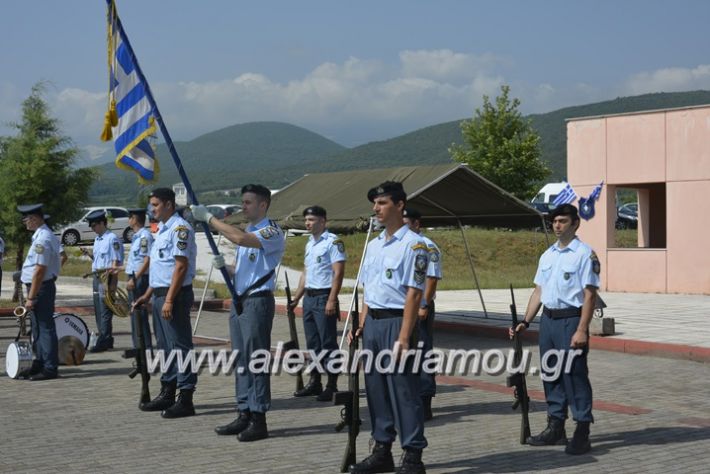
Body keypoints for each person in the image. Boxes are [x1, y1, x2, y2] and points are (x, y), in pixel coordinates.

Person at [191, 184, 285, 442]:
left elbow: (242, 240)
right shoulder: (251, 230)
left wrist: (209, 219)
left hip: (257, 301)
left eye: (248, 202)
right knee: (241, 359)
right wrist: (228, 269)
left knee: (255, 360)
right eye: (243, 202)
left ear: (263, 205)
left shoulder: (271, 229)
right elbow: (247, 266)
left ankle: (258, 417)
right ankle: (243, 411)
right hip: (240, 300)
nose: (243, 207)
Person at [349, 182, 428, 474]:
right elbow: (370, 289)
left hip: (398, 323)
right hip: (373, 324)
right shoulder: (374, 245)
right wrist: (361, 324)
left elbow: (414, 293)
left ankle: (413, 455)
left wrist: (405, 336)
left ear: (400, 205)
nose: (376, 209)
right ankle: (382, 449)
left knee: (404, 392)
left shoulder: (415, 246)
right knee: (376, 390)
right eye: (374, 204)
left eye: (382, 203)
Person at [510, 203, 599, 455]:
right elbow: (539, 291)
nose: (557, 226)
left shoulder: (584, 254)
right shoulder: (547, 255)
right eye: (554, 221)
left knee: (574, 374)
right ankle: (556, 426)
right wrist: (525, 321)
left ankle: (582, 429)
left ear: (575, 223)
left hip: (571, 319)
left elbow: (590, 295)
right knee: (551, 374)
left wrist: (582, 329)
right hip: (548, 321)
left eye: (562, 221)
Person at [133, 188, 198, 418]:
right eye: (151, 205)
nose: (152, 209)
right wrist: (148, 294)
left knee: (180, 346)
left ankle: (186, 397)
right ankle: (168, 392)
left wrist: (169, 299)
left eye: (156, 204)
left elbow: (180, 267)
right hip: (161, 293)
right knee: (165, 346)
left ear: (169, 204)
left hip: (175, 296)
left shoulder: (180, 229)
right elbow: (161, 267)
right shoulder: (162, 229)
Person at [289, 205, 346, 401]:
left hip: (324, 297)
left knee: (328, 342)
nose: (307, 223)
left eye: (312, 220)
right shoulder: (309, 244)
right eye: (306, 220)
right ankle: (315, 382)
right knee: (313, 343)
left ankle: (332, 384)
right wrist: (297, 297)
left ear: (323, 221)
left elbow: (338, 273)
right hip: (309, 298)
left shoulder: (333, 242)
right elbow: (306, 273)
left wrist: (332, 298)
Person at [403, 208, 442, 422]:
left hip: (420, 306)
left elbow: (432, 278)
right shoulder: (403, 245)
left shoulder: (428, 246)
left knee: (423, 351)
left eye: (406, 222)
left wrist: (424, 305)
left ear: (417, 224)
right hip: (403, 307)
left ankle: (425, 399)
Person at [17, 204, 61, 381]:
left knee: (45, 327)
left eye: (26, 219)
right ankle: (40, 362)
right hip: (39, 287)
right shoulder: (40, 236)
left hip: (40, 288)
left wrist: (31, 297)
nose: (25, 222)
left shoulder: (42, 239)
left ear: (34, 219)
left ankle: (50, 367)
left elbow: (40, 270)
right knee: (37, 328)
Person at [82, 210, 124, 353]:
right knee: (99, 309)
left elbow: (115, 261)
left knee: (105, 309)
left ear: (102, 223)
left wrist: (112, 283)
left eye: (94, 225)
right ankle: (106, 338)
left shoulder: (112, 239)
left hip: (107, 278)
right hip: (97, 276)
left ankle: (104, 340)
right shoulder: (98, 239)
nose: (92, 228)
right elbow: (100, 261)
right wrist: (89, 254)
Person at [125, 208, 153, 349]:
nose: (128, 220)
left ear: (135, 219)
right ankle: (138, 348)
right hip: (135, 277)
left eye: (130, 217)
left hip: (140, 279)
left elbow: (146, 260)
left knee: (140, 316)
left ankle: (145, 349)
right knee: (134, 315)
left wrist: (134, 278)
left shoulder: (144, 237)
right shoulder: (137, 236)